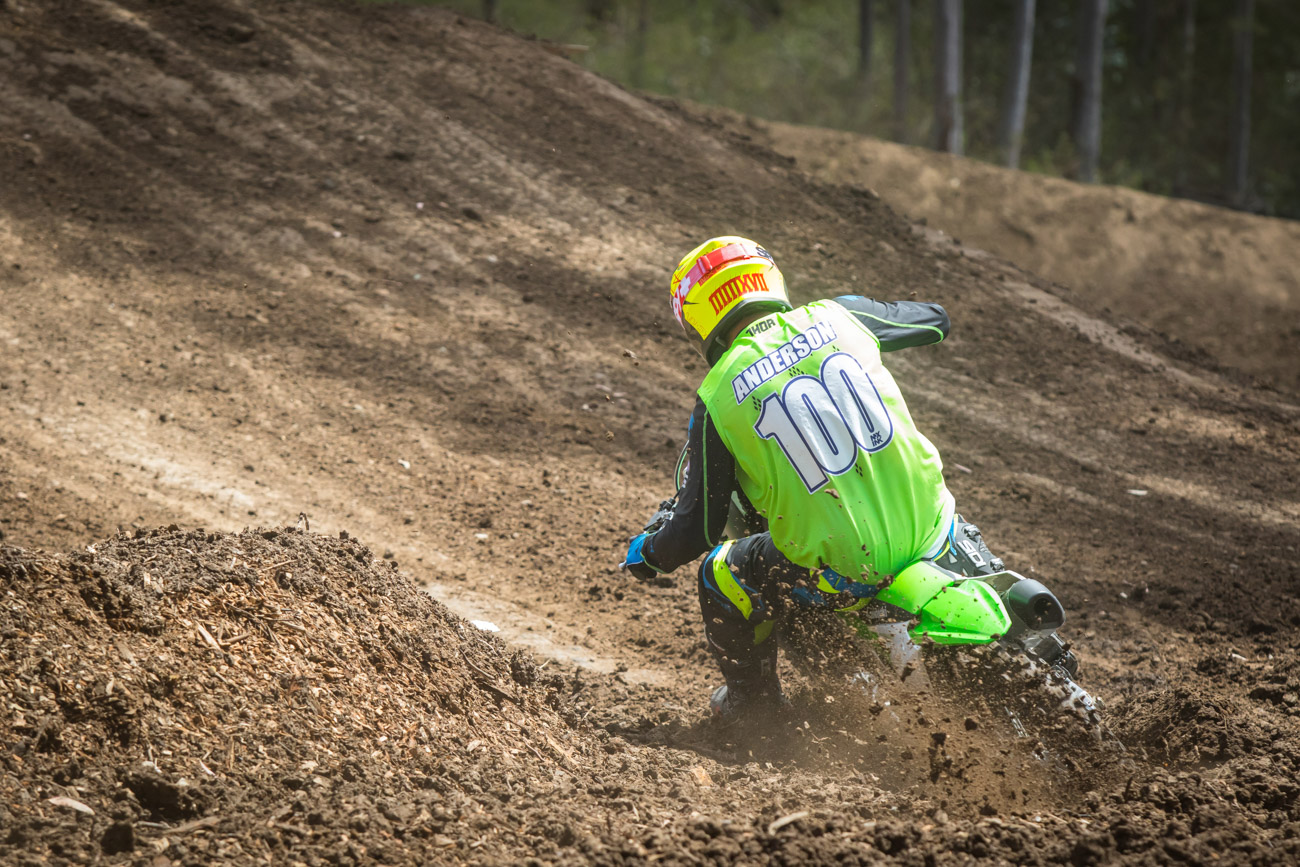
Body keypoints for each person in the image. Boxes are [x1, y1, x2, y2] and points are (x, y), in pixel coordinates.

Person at [620, 236, 1001, 718]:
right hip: (935, 531)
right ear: (767, 277)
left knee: (721, 575)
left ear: (697, 315)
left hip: (842, 573)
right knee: (979, 560)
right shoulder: (840, 316)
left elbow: (699, 526)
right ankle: (1040, 647)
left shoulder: (716, 398)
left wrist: (648, 554)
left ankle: (755, 713)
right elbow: (935, 320)